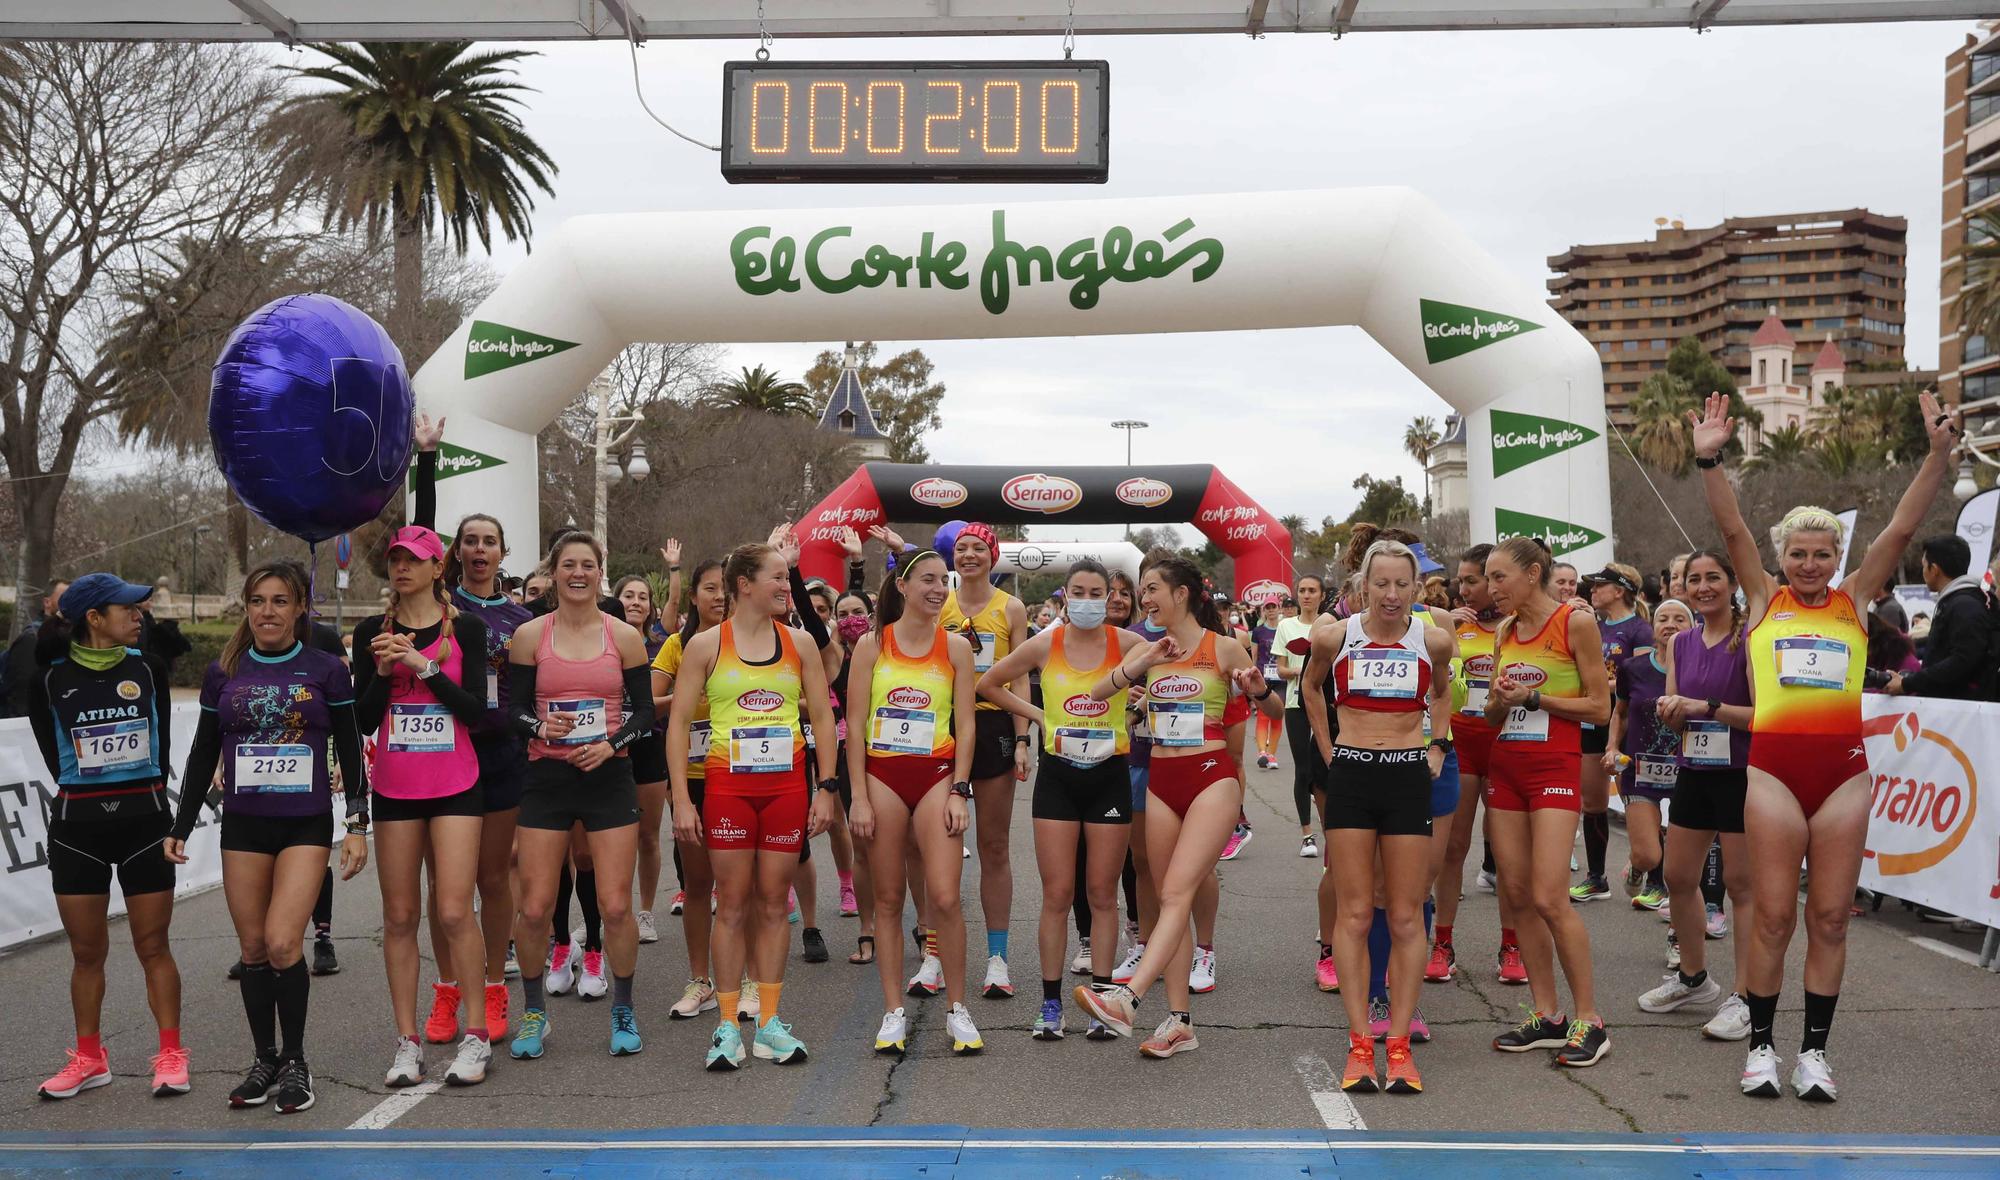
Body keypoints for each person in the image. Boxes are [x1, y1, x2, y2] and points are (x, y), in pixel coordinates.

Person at [1689, 387, 1957, 1102]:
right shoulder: (1762, 597)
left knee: (1831, 918)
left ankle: (1814, 1054)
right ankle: (1761, 1049)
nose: (1810, 565)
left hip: (1843, 777)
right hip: (1774, 775)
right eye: (1799, 555)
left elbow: (1900, 529)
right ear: (1783, 560)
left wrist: (1937, 456)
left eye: (1821, 554)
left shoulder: (1857, 599)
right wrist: (1709, 460)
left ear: (1837, 558)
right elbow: (1735, 531)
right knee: (1774, 916)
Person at [167, 561, 369, 1114]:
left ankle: (298, 1063)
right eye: (259, 601)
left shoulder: (327, 669)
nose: (268, 612)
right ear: (247, 608)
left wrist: (357, 823)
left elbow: (350, 747)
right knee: (253, 948)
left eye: (280, 601)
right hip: (244, 825)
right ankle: (265, 1059)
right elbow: (202, 752)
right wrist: (180, 825)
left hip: (303, 823)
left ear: (300, 607)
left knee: (284, 942)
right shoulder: (224, 670)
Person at [1073, 556, 1280, 1058]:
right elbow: (1097, 694)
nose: (1144, 600)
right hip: (1161, 779)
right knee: (1169, 898)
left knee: (1178, 890)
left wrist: (1260, 691)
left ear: (1181, 594)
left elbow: (1273, 712)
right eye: (1143, 592)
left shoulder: (1224, 647)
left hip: (1211, 775)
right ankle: (1179, 1022)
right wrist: (1137, 667)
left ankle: (1127, 998)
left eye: (1150, 590)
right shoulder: (1150, 648)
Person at [666, 542, 840, 1071]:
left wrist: (826, 787)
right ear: (744, 584)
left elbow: (825, 719)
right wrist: (680, 798)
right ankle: (725, 1026)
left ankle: (768, 1022)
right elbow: (677, 725)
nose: (787, 588)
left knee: (773, 901)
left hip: (786, 788)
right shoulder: (703, 645)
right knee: (733, 903)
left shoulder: (801, 643)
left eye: (786, 580)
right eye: (778, 579)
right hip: (726, 789)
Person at [1303, 541, 1455, 1094]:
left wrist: (1437, 746)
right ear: (1363, 586)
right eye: (1381, 584)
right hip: (1353, 776)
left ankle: (1398, 1042)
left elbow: (1443, 693)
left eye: (1402, 585)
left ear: (1416, 588)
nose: (1392, 595)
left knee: (1407, 916)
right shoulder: (1335, 635)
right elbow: (1311, 687)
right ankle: (1360, 1039)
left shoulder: (1432, 638)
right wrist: (1328, 748)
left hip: (1407, 776)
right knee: (1355, 913)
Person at [29, 574, 184, 1100]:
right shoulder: (49, 680)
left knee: (153, 946)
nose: (139, 615)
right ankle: (90, 1058)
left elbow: (161, 751)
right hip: (78, 831)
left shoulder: (149, 668)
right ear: (94, 618)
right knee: (87, 953)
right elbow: (55, 758)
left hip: (144, 825)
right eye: (128, 608)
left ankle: (170, 1055)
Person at [352, 526, 494, 1087]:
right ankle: (407, 1042)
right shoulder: (372, 631)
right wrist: (385, 672)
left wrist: (422, 664)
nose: (401, 568)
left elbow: (476, 712)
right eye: (394, 560)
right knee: (400, 916)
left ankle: (477, 1035)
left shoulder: (470, 629)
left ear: (439, 568)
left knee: (455, 910)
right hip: (396, 787)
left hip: (456, 783)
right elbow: (362, 719)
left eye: (414, 560)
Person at [505, 534, 655, 1062]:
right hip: (547, 778)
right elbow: (512, 710)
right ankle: (532, 1013)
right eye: (568, 564)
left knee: (616, 905)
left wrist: (611, 744)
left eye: (587, 565)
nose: (577, 573)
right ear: (554, 571)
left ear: (600, 573)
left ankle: (624, 1007)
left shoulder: (625, 637)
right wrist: (539, 724)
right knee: (535, 905)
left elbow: (644, 714)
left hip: (607, 778)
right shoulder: (528, 636)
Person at [979, 558, 1139, 1041]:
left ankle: (1103, 1001)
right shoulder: (1046, 642)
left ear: (1110, 597)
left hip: (1109, 776)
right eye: (1079, 592)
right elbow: (987, 684)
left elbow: (1172, 678)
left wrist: (1139, 709)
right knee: (1056, 894)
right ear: (1064, 596)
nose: (1089, 601)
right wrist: (1040, 716)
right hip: (1059, 779)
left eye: (1097, 593)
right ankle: (1050, 1005)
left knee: (1102, 895)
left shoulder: (1127, 644)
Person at [409, 430, 533, 1046]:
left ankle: (491, 986)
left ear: (503, 553)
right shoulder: (437, 604)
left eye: (489, 542)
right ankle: (448, 994)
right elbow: (419, 530)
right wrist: (426, 459)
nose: (479, 549)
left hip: (502, 755)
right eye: (470, 541)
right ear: (454, 553)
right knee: (444, 888)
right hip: (443, 753)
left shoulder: (523, 618)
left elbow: (537, 691)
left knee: (493, 880)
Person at [1482, 537, 1612, 1068]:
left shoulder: (1574, 623)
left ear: (1532, 573)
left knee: (1550, 896)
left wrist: (1536, 697)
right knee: (1514, 895)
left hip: (1554, 768)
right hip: (1507, 767)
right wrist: (1497, 699)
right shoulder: (1505, 631)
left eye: (1498, 577)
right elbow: (1493, 714)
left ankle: (1590, 1020)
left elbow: (1600, 708)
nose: (1491, 589)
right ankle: (1547, 1014)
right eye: (1488, 578)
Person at [847, 550, 982, 1055]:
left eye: (941, 581)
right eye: (926, 580)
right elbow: (856, 726)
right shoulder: (870, 645)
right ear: (901, 586)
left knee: (944, 897)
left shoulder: (957, 648)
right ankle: (892, 1013)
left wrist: (960, 788)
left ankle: (958, 1009)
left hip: (936, 774)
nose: (937, 589)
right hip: (882, 774)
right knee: (887, 900)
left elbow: (966, 723)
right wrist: (858, 797)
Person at [1639, 549, 1756, 1042]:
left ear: (1732, 584)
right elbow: (1676, 706)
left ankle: (1749, 996)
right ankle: (1693, 978)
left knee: (1740, 884)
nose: (1703, 586)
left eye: (1713, 578)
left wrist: (1705, 706)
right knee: (1677, 875)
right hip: (1694, 768)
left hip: (1741, 772)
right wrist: (1672, 710)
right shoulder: (1682, 642)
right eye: (1693, 579)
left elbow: (1762, 715)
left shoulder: (1749, 638)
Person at [936, 522, 1031, 999]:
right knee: (938, 845)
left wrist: (1022, 739)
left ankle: (997, 957)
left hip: (993, 726)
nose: (969, 555)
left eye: (978, 548)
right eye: (962, 548)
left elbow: (1020, 679)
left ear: (992, 557)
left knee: (993, 845)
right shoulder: (938, 603)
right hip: (945, 726)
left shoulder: (1009, 607)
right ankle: (934, 953)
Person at [1430, 544, 1526, 987]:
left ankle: (1512, 945)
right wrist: (1446, 626)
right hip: (1462, 742)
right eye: (1461, 581)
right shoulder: (1448, 623)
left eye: (1474, 581)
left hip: (1509, 742)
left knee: (1507, 855)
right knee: (1452, 848)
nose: (1464, 589)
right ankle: (1442, 943)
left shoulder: (1520, 625)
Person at [653, 559, 726, 1018]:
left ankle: (746, 980)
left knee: (742, 888)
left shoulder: (750, 643)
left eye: (725, 589)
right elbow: (649, 704)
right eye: (710, 589)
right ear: (694, 597)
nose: (719, 597)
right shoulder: (679, 646)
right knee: (698, 885)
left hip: (740, 774)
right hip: (691, 779)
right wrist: (687, 692)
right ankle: (701, 980)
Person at [1604, 599, 1693, 915]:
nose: (1670, 624)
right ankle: (1637, 867)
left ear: (1693, 627)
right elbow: (1621, 712)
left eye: (1680, 618)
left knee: (1683, 867)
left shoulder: (1701, 667)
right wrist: (1612, 747)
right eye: (1663, 618)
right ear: (1652, 629)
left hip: (1689, 770)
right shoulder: (1633, 668)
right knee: (1648, 856)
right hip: (1641, 771)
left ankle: (1679, 931)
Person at [1572, 565, 1653, 902]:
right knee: (1592, 801)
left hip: (1627, 723)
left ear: (1619, 590)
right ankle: (1596, 878)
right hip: (1592, 721)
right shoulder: (1592, 626)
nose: (1591, 590)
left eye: (1598, 585)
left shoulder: (1640, 630)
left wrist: (1597, 687)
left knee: (1643, 802)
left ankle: (1655, 879)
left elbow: (1645, 681)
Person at [614, 561, 679, 945]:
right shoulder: (602, 641)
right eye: (628, 596)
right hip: (611, 745)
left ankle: (646, 912)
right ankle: (614, 909)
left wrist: (663, 702)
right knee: (611, 835)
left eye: (642, 597)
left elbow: (664, 702)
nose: (636, 602)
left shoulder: (660, 643)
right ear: (616, 601)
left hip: (651, 745)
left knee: (648, 836)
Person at [1884, 534, 1992, 701]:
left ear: (1934, 570)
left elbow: (1963, 660)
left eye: (1924, 566)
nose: (1923, 572)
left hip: (1960, 714)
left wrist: (1908, 683)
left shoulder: (1964, 605)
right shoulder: (1957, 601)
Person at [1276, 575, 1329, 865]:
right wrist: (1303, 673)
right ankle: (1307, 834)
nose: (1306, 595)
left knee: (1327, 763)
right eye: (1302, 591)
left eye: (1312, 591)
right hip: (1296, 703)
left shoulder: (1331, 625)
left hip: (1324, 702)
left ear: (1322, 595)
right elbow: (1281, 668)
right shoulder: (1286, 626)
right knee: (1303, 768)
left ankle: (1331, 829)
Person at [4, 577, 70, 718]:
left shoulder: (73, 637)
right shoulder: (32, 639)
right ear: (47, 602)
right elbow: (22, 698)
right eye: (65, 598)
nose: (71, 603)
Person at [1250, 600, 1284, 771]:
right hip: (1263, 678)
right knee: (1263, 715)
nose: (1271, 611)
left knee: (1277, 716)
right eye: (1268, 608)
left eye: (1274, 607)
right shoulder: (1258, 631)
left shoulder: (1284, 628)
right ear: (1264, 611)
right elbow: (1254, 655)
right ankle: (1262, 752)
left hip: (1281, 678)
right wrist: (1251, 676)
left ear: (1279, 609)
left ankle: (1272, 754)